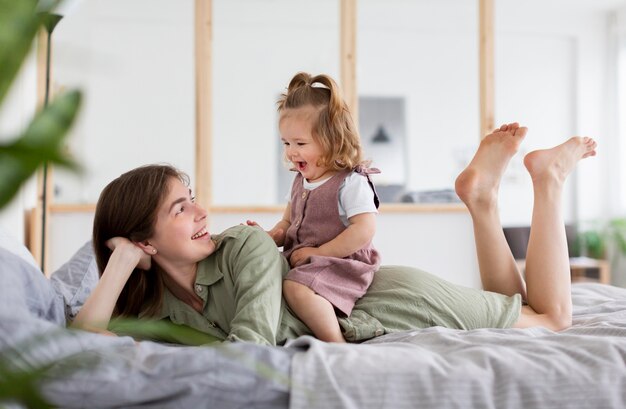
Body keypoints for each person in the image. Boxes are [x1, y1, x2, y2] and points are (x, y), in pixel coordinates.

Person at [72, 122, 597, 346]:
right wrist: (120, 263)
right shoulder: (162, 307)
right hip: (362, 306)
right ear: (145, 240)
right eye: (182, 208)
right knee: (510, 305)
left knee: (550, 321)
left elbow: (251, 347)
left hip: (385, 303)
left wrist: (134, 254)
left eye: (193, 199)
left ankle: (547, 180)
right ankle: (481, 199)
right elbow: (82, 339)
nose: (203, 211)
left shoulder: (247, 247)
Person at [246, 72, 381, 343]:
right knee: (257, 273)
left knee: (295, 288)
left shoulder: (350, 182)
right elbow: (287, 223)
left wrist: (319, 252)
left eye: (300, 143)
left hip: (340, 262)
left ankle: (336, 342)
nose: (291, 152)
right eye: (286, 143)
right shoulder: (300, 181)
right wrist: (271, 236)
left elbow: (364, 230)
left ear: (332, 139)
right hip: (303, 258)